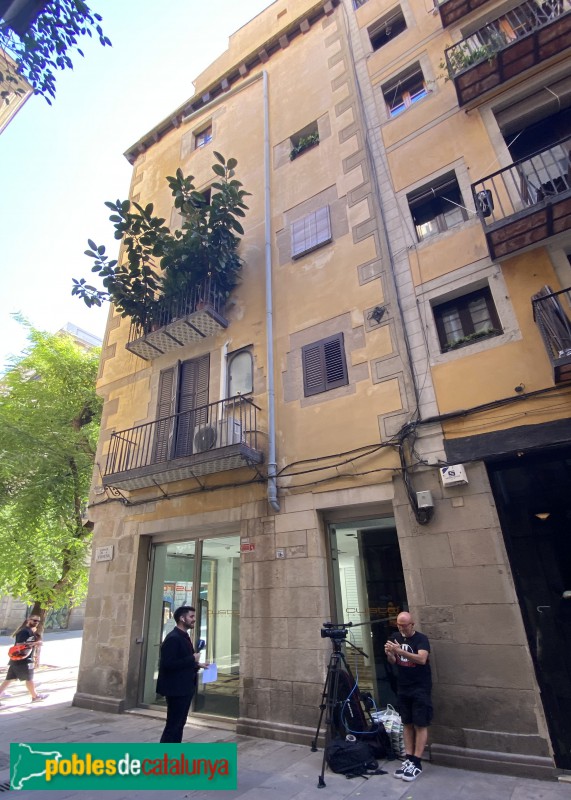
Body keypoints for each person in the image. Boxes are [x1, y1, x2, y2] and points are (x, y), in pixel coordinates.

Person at [384, 611, 432, 782]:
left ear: (412, 624)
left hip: (420, 687)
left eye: (404, 625)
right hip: (403, 686)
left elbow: (421, 659)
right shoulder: (396, 637)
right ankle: (409, 758)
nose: (401, 629)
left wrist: (399, 651)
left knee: (420, 723)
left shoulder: (421, 639)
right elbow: (393, 661)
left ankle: (417, 762)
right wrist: (390, 654)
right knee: (407, 722)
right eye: (398, 625)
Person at [156, 605, 206, 743]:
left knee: (179, 724)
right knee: (173, 725)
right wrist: (192, 659)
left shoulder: (183, 636)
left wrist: (197, 665)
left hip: (184, 688)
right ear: (182, 618)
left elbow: (181, 660)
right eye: (191, 616)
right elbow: (168, 664)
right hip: (176, 689)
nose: (194, 619)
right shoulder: (173, 638)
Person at [0, 615, 48, 705]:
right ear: (28, 620)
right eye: (34, 620)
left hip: (18, 660)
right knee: (29, 679)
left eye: (38, 621)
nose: (36, 622)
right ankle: (35, 696)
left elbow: (27, 644)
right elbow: (20, 645)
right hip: (23, 660)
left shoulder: (30, 631)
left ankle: (35, 696)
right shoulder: (24, 632)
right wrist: (36, 643)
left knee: (9, 679)